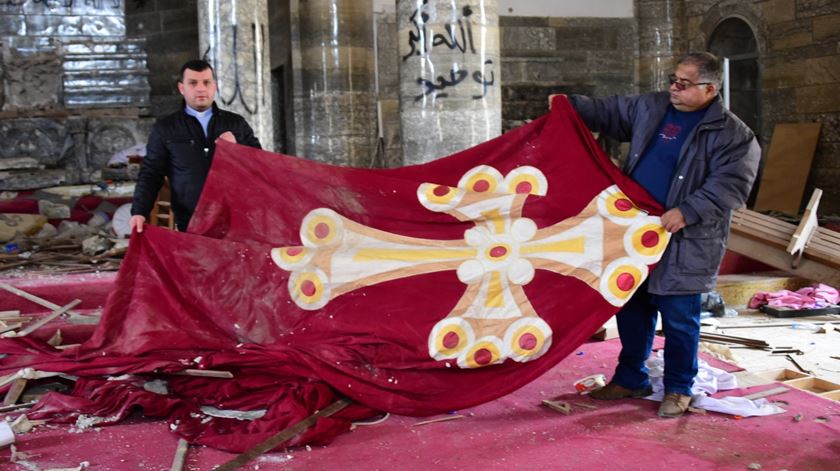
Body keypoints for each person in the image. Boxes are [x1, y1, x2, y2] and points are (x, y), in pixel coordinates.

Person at [566, 52, 761, 418]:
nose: (674, 87)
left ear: (710, 89)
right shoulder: (651, 107)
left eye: (684, 84)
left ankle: (678, 388)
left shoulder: (735, 136)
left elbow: (732, 186)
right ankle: (630, 378)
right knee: (631, 309)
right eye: (674, 79)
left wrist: (688, 211)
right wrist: (570, 105)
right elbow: (609, 112)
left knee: (679, 319)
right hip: (635, 234)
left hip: (685, 239)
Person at [130, 59, 261, 233]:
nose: (201, 89)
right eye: (193, 83)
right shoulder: (166, 129)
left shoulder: (236, 124)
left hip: (236, 219)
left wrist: (236, 148)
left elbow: (259, 164)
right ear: (181, 88)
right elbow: (151, 173)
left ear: (214, 86)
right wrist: (139, 211)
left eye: (206, 82)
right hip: (191, 222)